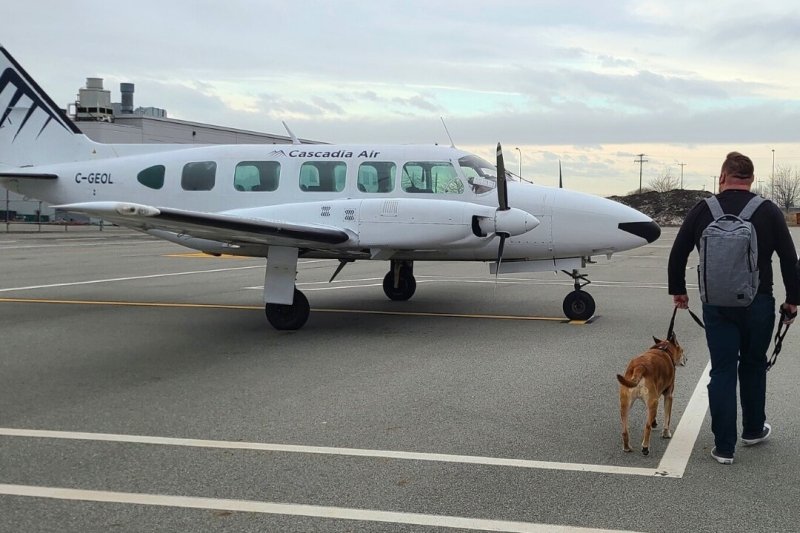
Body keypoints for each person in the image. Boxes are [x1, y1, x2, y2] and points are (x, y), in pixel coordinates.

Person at [668, 151, 799, 465]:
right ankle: (753, 430)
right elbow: (789, 259)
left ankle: (724, 448)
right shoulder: (768, 211)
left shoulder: (702, 210)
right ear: (751, 180)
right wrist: (793, 299)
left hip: (717, 305)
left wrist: (679, 292)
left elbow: (678, 253)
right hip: (759, 303)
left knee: (723, 369)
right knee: (753, 366)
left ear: (722, 177)